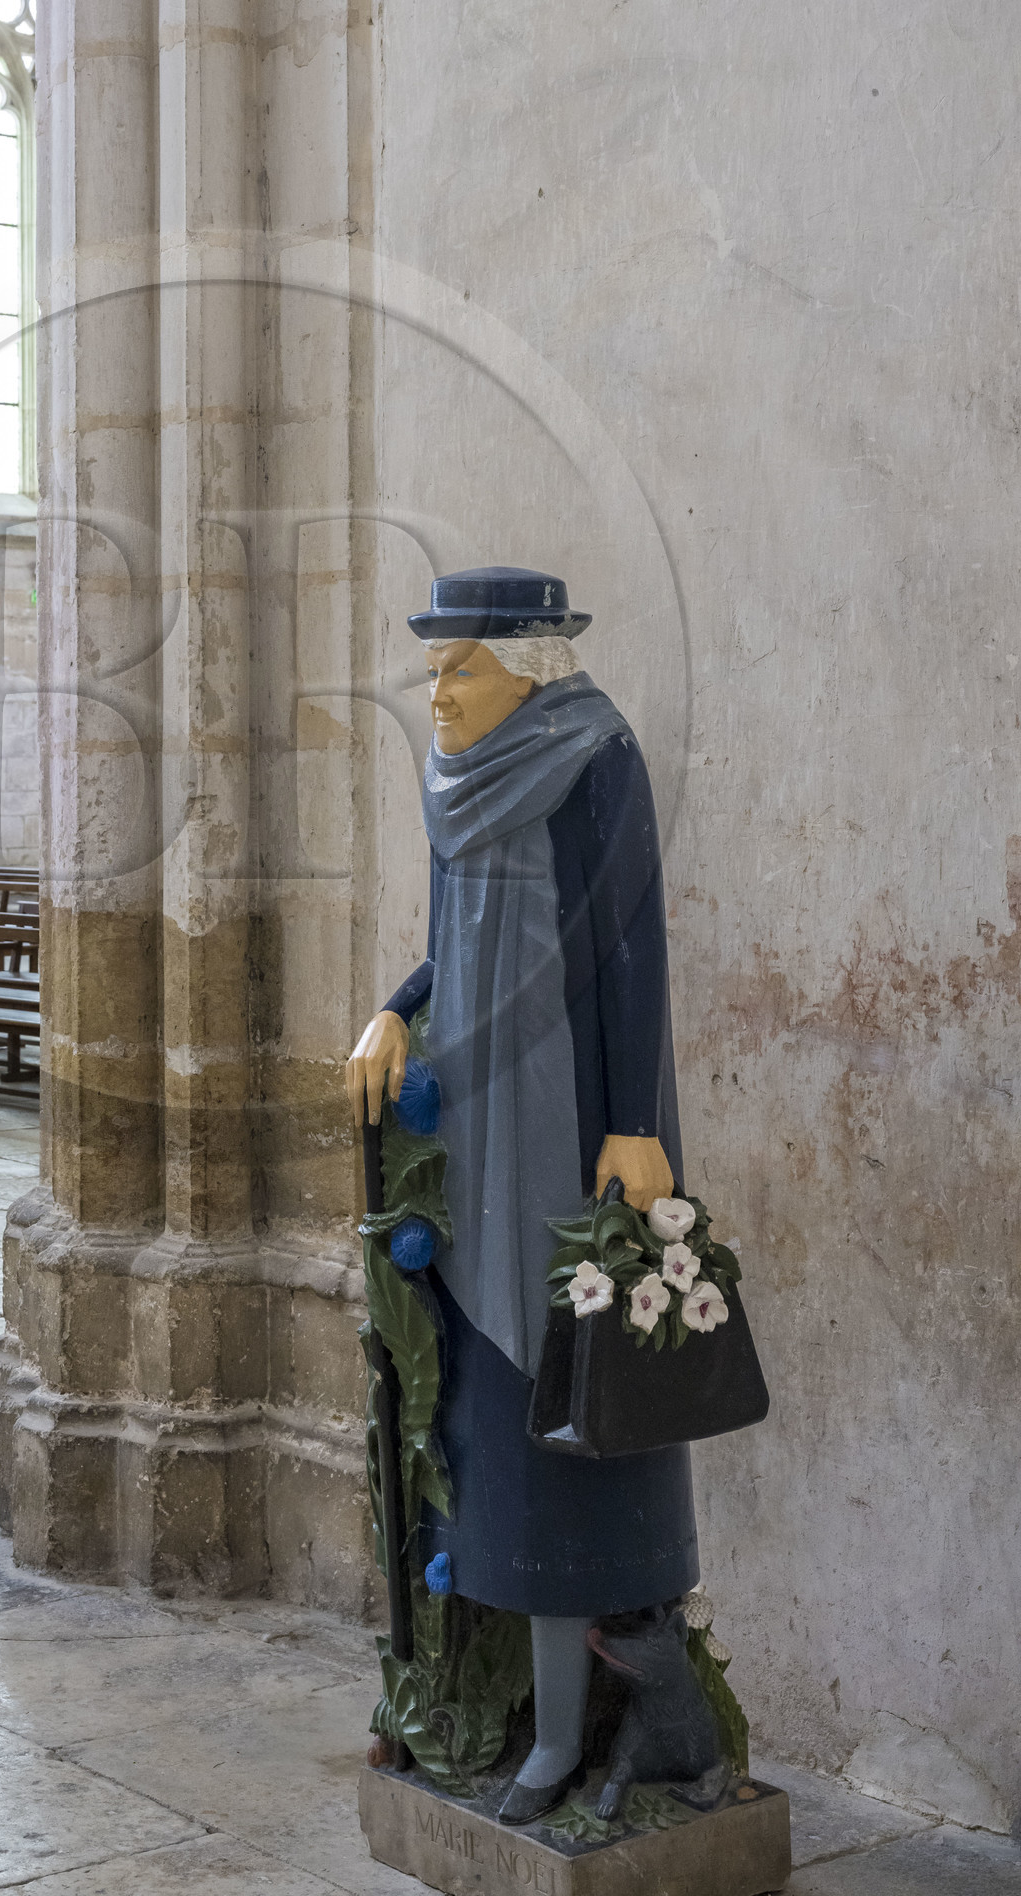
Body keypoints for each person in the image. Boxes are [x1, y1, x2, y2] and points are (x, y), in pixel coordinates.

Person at [347, 567, 698, 1824]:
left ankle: (600, 1731)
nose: (435, 693)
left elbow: (630, 948)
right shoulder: (456, 778)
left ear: (527, 671)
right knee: (494, 1424)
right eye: (431, 670)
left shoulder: (593, 760)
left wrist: (637, 1127)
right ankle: (541, 1722)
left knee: (580, 1409)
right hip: (478, 1132)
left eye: (460, 670)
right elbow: (457, 943)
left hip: (571, 1140)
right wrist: (393, 1011)